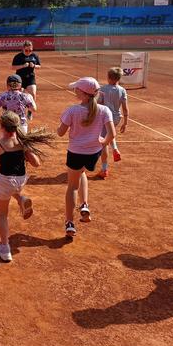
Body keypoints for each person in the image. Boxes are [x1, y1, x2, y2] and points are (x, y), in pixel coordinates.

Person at [0, 111, 55, 262]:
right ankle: (21, 198)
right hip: (21, 180)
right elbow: (36, 163)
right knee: (7, 185)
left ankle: (4, 248)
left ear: (1, 126)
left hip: (6, 181)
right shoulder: (23, 143)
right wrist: (26, 151)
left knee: (2, 214)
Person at [57, 77, 115, 237]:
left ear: (82, 93)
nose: (74, 90)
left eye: (76, 88)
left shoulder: (72, 110)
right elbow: (112, 133)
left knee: (72, 187)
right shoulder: (104, 110)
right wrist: (103, 143)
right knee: (82, 172)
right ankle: (84, 205)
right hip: (93, 153)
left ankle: (69, 223)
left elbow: (60, 133)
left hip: (76, 152)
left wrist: (59, 126)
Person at [97, 67, 129, 179]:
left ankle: (104, 169)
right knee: (110, 134)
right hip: (116, 118)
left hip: (105, 117)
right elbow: (125, 108)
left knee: (104, 143)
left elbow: (98, 104)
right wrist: (125, 122)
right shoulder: (122, 90)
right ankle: (115, 149)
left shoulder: (103, 89)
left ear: (109, 77)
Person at [11, 40, 41, 120]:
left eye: (30, 50)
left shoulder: (34, 56)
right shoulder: (18, 56)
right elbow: (13, 67)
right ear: (23, 49)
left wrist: (34, 65)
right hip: (19, 78)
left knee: (33, 94)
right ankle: (19, 113)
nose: (28, 52)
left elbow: (39, 66)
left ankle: (30, 112)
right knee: (19, 95)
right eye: (26, 50)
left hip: (30, 77)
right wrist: (23, 66)